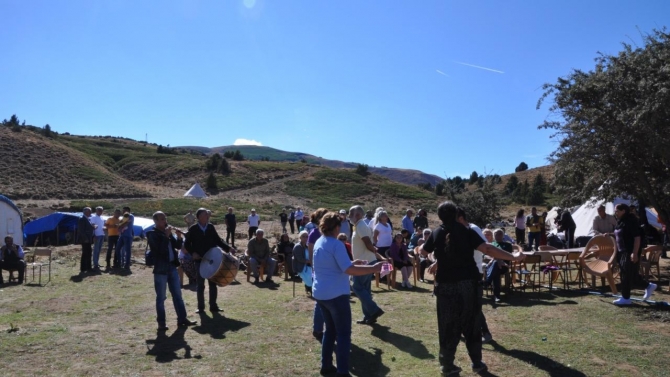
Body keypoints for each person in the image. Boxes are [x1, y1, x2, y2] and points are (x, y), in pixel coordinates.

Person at [419, 201, 525, 375]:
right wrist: (512, 257)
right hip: (468, 285)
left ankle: (447, 365)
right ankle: (477, 363)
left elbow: (423, 252)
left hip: (445, 287)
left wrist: (437, 259)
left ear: (439, 216)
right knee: (472, 325)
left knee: (447, 327)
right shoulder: (466, 231)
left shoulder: (436, 233)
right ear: (455, 215)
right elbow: (487, 248)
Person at [312, 212, 384, 376]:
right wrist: (373, 268)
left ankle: (326, 365)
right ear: (336, 227)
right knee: (343, 333)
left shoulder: (319, 242)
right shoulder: (336, 244)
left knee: (330, 331)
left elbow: (335, 265)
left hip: (321, 294)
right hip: (336, 295)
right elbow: (349, 270)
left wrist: (353, 262)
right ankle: (342, 371)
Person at [146, 211, 197, 330]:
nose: (165, 221)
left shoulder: (167, 232)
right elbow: (159, 251)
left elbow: (178, 247)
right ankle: (161, 323)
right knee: (161, 297)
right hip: (160, 269)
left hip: (172, 267)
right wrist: (166, 235)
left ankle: (182, 319)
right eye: (162, 219)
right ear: (156, 221)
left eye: (165, 218)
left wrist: (179, 237)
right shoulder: (152, 234)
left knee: (178, 295)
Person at [184, 208, 236, 314]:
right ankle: (201, 307)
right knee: (200, 284)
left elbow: (218, 240)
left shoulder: (211, 227)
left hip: (212, 259)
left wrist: (228, 248)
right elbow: (187, 244)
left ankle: (213, 306)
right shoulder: (193, 229)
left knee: (213, 283)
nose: (207, 216)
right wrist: (192, 252)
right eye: (204, 215)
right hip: (199, 261)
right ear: (198, 217)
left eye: (207, 215)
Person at [456, 208, 492, 342]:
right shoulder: (460, 231)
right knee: (461, 304)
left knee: (474, 306)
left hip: (474, 273)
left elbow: (485, 247)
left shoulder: (473, 229)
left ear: (460, 219)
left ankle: (486, 333)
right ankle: (459, 330)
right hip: (462, 273)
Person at [348, 205, 388, 325]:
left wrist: (373, 251)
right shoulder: (360, 226)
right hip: (366, 260)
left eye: (351, 214)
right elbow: (368, 243)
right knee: (364, 289)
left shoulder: (360, 225)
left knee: (357, 287)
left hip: (364, 262)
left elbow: (367, 242)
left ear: (358, 215)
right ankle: (369, 316)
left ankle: (374, 310)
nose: (349, 216)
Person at [612, 203, 657, 305]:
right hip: (622, 251)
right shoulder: (620, 221)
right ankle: (649, 286)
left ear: (623, 211)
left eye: (617, 211)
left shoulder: (631, 221)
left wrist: (635, 253)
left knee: (626, 275)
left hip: (630, 251)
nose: (615, 213)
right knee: (631, 275)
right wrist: (609, 234)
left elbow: (637, 238)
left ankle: (626, 298)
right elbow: (620, 234)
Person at [307, 209, 329, 343]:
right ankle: (318, 329)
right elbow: (311, 256)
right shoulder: (314, 234)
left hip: (326, 272)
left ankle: (321, 328)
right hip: (320, 272)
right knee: (320, 302)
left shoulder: (326, 234)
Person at [486, 229, 512, 303]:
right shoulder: (491, 244)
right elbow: (485, 255)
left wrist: (496, 258)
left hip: (504, 266)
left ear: (503, 235)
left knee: (496, 265)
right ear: (494, 236)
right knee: (496, 267)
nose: (498, 235)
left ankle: (488, 282)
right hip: (493, 266)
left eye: (500, 234)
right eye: (497, 234)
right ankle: (497, 296)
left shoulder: (508, 245)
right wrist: (497, 259)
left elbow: (508, 255)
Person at [76, 207, 95, 275]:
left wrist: (92, 227)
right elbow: (81, 231)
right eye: (90, 211)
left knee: (89, 253)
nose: (91, 213)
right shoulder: (82, 219)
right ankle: (84, 268)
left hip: (88, 239)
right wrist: (85, 238)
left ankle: (88, 267)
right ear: (86, 212)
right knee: (85, 253)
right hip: (85, 240)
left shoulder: (87, 219)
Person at [90, 206, 105, 271]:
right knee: (96, 250)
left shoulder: (102, 218)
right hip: (97, 235)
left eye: (101, 210)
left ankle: (97, 262)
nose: (100, 212)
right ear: (96, 211)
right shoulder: (93, 217)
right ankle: (95, 263)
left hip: (102, 234)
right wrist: (94, 235)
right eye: (99, 210)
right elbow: (92, 226)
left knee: (99, 250)